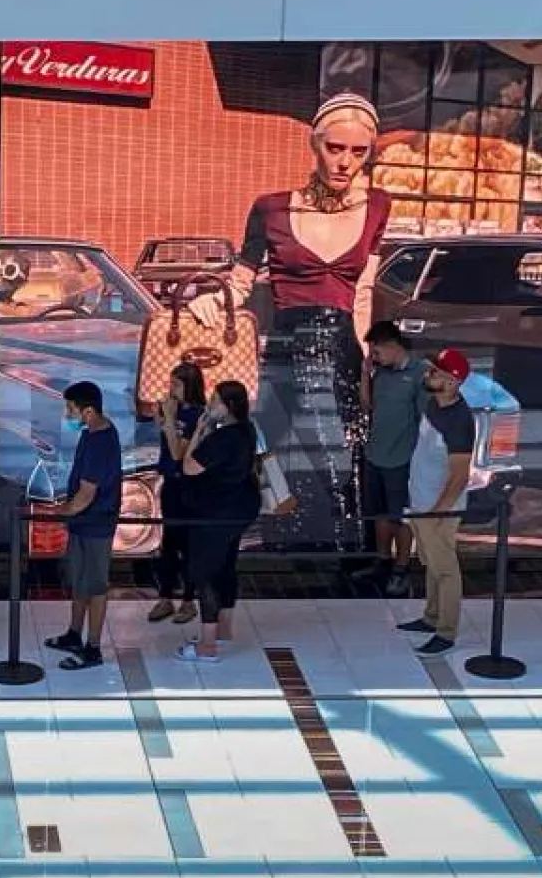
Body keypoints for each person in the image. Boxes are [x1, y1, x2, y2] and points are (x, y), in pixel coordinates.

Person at [186, 93, 392, 547]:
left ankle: (347, 549)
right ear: (313, 145)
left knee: (346, 453)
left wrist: (365, 362)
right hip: (287, 349)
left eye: (358, 152)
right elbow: (242, 279)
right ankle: (263, 529)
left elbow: (363, 290)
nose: (344, 162)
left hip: (341, 351)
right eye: (334, 148)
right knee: (263, 444)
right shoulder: (272, 208)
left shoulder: (377, 205)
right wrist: (212, 299)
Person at [396, 349, 476, 658]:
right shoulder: (434, 404)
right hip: (422, 501)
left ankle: (446, 631)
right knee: (431, 564)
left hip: (438, 507)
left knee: (445, 569)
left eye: (436, 373)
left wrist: (439, 511)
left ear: (453, 382)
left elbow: (459, 475)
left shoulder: (458, 420)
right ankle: (431, 616)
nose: (428, 375)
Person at [176, 381, 261, 664]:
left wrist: (199, 432)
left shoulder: (222, 439)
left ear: (230, 406)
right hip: (239, 510)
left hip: (215, 513)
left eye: (215, 402)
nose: (210, 406)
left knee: (203, 573)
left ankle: (208, 644)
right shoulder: (246, 431)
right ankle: (224, 628)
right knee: (225, 566)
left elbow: (189, 467)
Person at [45, 382, 122, 671]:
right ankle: (74, 634)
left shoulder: (101, 441)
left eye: (71, 409)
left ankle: (93, 647)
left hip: (96, 525)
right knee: (79, 581)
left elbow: (87, 494)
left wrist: (58, 513)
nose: (68, 414)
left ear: (88, 411)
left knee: (95, 585)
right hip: (81, 524)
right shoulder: (92, 433)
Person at [354, 321, 428, 597]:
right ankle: (382, 561)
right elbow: (367, 405)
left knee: (401, 516)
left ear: (392, 346)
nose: (374, 356)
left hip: (402, 457)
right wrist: (365, 375)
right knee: (381, 513)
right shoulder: (381, 374)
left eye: (376, 350)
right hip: (376, 455)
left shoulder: (419, 374)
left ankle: (401, 568)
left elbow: (425, 419)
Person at [149, 363, 207, 625]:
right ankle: (165, 596)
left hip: (189, 487)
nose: (171, 389)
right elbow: (167, 444)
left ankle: (188, 600)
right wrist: (162, 421)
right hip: (170, 483)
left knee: (189, 545)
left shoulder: (198, 416)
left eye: (176, 385)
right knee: (168, 544)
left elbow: (178, 454)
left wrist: (170, 421)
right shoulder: (176, 410)